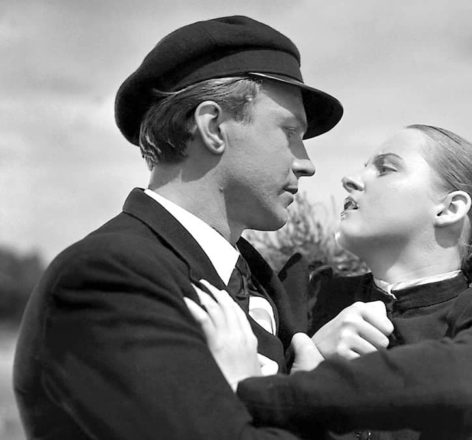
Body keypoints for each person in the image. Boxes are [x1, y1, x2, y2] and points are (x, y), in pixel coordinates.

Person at [13, 15, 343, 440]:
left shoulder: (256, 280)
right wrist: (308, 403)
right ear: (213, 127)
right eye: (290, 132)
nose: (307, 163)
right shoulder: (108, 277)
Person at [190, 125, 472, 439]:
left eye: (386, 168)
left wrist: (260, 394)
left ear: (449, 208)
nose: (350, 180)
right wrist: (307, 354)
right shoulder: (302, 292)